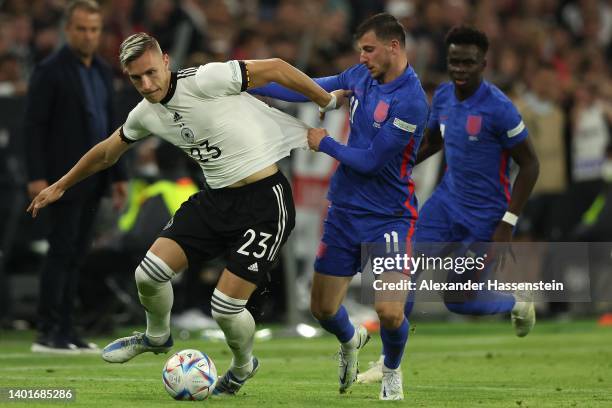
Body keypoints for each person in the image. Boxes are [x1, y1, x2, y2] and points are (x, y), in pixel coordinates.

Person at [27, 32, 338, 396]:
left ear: (166, 62)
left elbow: (274, 69)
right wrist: (61, 185)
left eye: (150, 73)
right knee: (148, 275)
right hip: (215, 199)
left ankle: (241, 366)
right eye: (135, 78)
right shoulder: (145, 113)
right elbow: (107, 152)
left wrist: (323, 98)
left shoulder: (206, 79)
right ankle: (157, 336)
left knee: (224, 309)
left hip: (264, 202)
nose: (146, 84)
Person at [251, 13, 429, 400]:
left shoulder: (411, 102)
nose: (362, 57)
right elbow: (312, 89)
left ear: (393, 46)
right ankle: (351, 341)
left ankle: (392, 370)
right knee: (323, 310)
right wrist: (253, 88)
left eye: (369, 49)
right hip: (345, 212)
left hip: (389, 218)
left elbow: (370, 161)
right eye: (360, 50)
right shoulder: (361, 77)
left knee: (389, 312)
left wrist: (324, 142)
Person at [357, 26, 540, 384]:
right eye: (454, 61)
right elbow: (436, 139)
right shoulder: (442, 97)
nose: (460, 68)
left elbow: (531, 164)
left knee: (457, 298)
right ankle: (387, 362)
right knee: (405, 272)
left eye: (468, 62)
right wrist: (402, 166)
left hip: (486, 217)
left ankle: (517, 302)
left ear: (483, 63)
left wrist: (507, 223)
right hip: (444, 204)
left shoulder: (499, 108)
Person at [24, 0, 128, 354]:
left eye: (94, 29)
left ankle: (68, 330)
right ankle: (49, 331)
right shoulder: (49, 70)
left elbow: (116, 129)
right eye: (82, 29)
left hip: (94, 178)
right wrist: (37, 176)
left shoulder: (101, 70)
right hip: (59, 179)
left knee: (78, 255)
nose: (88, 36)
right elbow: (33, 128)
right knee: (61, 252)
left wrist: (119, 175)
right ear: (68, 30)